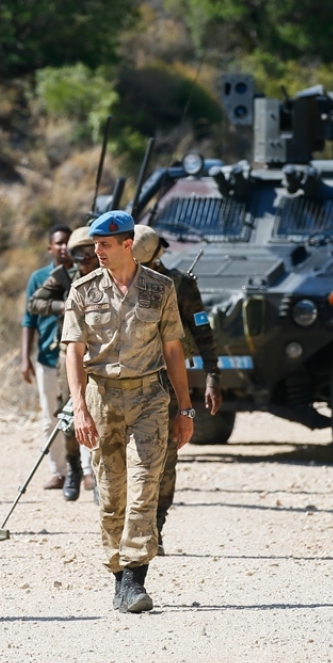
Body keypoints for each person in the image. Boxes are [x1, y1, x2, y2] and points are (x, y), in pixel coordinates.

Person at [62, 210, 194, 614]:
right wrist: (80, 408)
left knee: (144, 486)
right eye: (95, 245)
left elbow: (173, 349)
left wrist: (185, 408)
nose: (98, 252)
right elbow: (73, 351)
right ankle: (119, 578)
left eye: (105, 245)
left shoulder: (160, 288)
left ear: (127, 244)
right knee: (111, 495)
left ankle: (136, 579)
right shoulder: (83, 290)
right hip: (101, 399)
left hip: (148, 398)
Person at [131, 225, 221, 555]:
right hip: (122, 383)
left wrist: (212, 375)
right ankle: (132, 526)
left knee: (165, 458)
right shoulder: (116, 283)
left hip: (166, 384)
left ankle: (155, 526)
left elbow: (202, 331)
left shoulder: (179, 286)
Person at [27, 226, 98, 501]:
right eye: (80, 254)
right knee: (69, 415)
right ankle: (73, 468)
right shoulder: (63, 278)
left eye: (90, 253)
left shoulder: (108, 276)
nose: (85, 259)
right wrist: (65, 305)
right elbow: (35, 304)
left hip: (103, 356)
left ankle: (99, 476)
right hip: (70, 355)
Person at [21, 225, 74, 491]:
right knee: (50, 417)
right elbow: (29, 319)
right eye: (59, 243)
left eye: (68, 243)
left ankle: (85, 472)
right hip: (48, 359)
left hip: (77, 360)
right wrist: (25, 357)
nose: (64, 248)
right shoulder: (40, 278)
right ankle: (59, 471)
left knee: (82, 416)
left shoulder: (82, 274)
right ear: (50, 247)